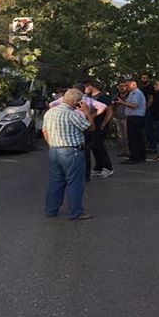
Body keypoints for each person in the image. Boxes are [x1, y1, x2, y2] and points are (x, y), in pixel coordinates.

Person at [42, 88, 95, 220]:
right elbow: (90, 127)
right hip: (72, 151)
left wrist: (51, 144)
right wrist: (87, 113)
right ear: (75, 102)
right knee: (75, 182)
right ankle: (76, 212)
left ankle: (51, 210)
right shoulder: (72, 114)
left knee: (56, 181)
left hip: (54, 149)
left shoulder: (50, 112)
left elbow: (45, 131)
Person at [84, 81, 115, 179]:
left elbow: (109, 111)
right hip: (93, 124)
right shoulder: (90, 97)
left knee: (99, 145)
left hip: (100, 124)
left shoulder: (103, 97)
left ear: (90, 86)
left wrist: (104, 124)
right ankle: (98, 167)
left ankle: (107, 167)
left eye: (85, 88)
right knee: (93, 146)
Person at [115, 79, 147, 164]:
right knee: (137, 137)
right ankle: (140, 156)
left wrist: (122, 102)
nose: (126, 87)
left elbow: (134, 105)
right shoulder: (133, 93)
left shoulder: (136, 93)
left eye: (127, 85)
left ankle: (135, 157)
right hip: (134, 116)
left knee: (133, 138)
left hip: (135, 117)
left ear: (133, 85)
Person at [140, 74, 157, 152]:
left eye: (144, 78)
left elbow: (151, 99)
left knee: (149, 128)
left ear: (148, 79)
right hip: (143, 110)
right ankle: (148, 146)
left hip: (149, 111)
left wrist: (146, 108)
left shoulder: (150, 88)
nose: (142, 79)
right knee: (145, 129)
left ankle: (152, 147)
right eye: (142, 78)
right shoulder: (143, 88)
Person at [113, 82, 130, 157]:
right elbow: (113, 105)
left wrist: (122, 102)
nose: (121, 88)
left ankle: (130, 152)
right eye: (120, 86)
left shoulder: (130, 96)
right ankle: (124, 151)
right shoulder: (116, 96)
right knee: (121, 136)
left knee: (128, 136)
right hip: (118, 117)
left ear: (127, 87)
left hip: (127, 117)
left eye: (123, 86)